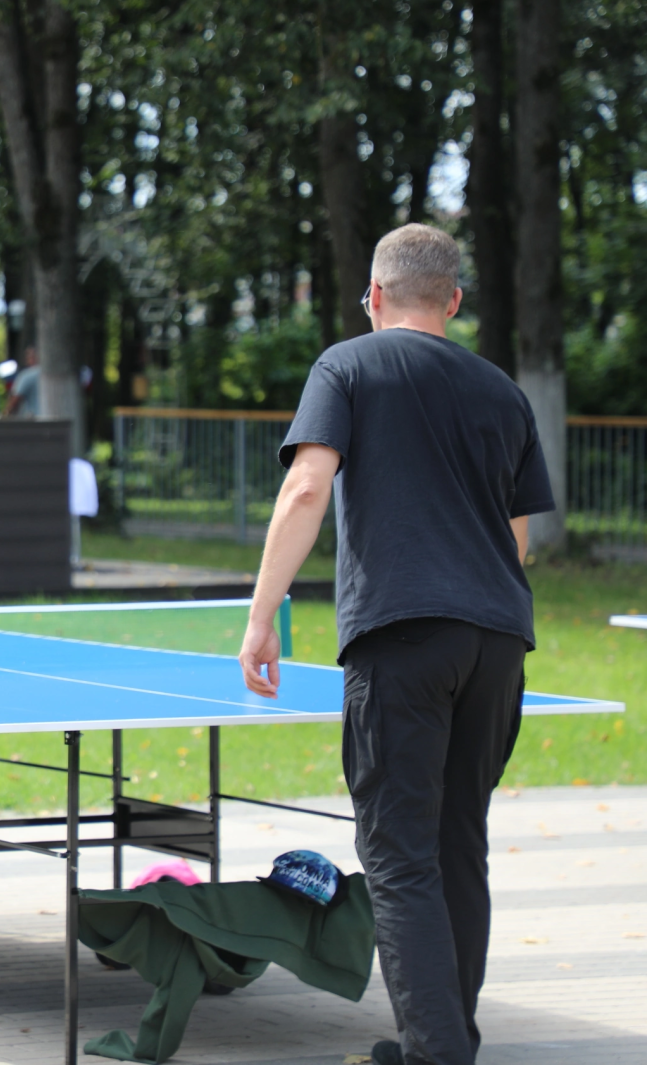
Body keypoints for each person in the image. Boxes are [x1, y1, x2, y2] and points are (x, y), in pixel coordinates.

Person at [237, 224, 553, 1065]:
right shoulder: (503, 394)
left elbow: (307, 484)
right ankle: (443, 1039)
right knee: (458, 848)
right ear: (453, 300)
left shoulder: (347, 366)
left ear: (373, 296)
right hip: (497, 641)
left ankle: (436, 1054)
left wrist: (262, 616)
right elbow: (517, 533)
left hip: (401, 636)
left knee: (399, 855)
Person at [4, 346, 40, 417]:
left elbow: (14, 401)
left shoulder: (27, 375)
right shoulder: (53, 374)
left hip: (34, 421)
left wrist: (4, 415)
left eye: (29, 356)